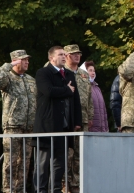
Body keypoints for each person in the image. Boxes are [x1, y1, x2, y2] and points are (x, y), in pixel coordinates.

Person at [32, 46, 82, 193]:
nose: (64, 56)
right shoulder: (43, 73)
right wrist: (66, 90)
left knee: (59, 163)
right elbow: (48, 91)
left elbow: (75, 99)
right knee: (42, 163)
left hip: (64, 126)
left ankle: (55, 190)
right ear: (51, 58)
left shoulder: (69, 74)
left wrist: (77, 121)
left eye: (64, 54)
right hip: (47, 126)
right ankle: (40, 190)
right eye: (60, 54)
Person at [0, 50, 36, 193]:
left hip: (28, 128)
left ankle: (20, 190)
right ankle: (9, 190)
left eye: (28, 60)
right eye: (24, 60)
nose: (27, 62)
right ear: (16, 61)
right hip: (12, 126)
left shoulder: (30, 79)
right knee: (11, 163)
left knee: (25, 163)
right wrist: (8, 66)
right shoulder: (8, 77)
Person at [62, 44, 94, 193]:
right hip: (68, 119)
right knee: (67, 153)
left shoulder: (84, 74)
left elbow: (89, 97)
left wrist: (90, 115)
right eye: (73, 54)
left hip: (84, 119)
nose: (77, 56)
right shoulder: (61, 72)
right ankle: (64, 184)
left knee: (79, 155)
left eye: (78, 53)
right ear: (66, 55)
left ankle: (76, 184)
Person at [80, 60, 109, 132]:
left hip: (102, 129)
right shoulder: (82, 87)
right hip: (90, 128)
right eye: (90, 70)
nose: (93, 72)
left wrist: (106, 127)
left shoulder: (97, 87)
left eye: (94, 70)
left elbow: (103, 109)